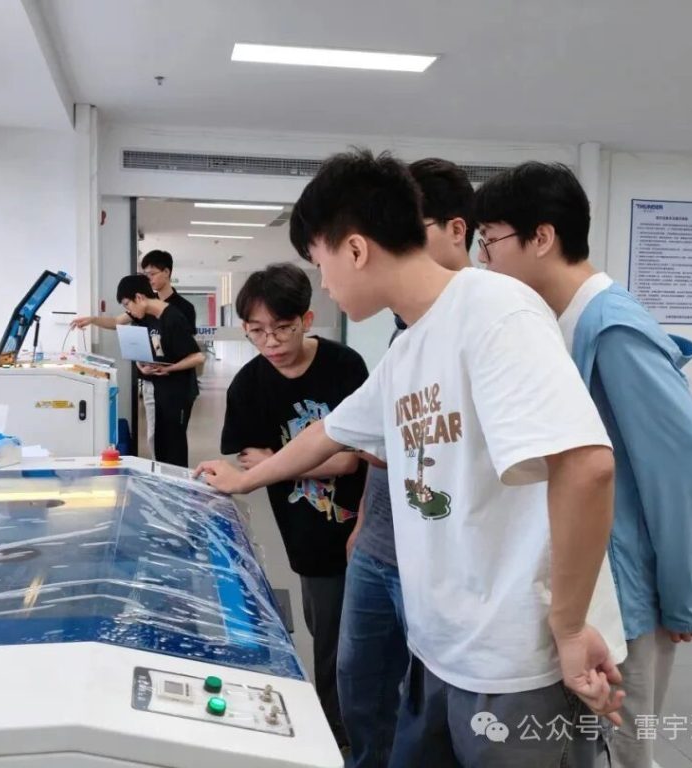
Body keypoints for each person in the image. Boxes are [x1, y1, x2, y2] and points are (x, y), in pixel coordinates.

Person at [196, 149, 625, 767]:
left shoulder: (495, 310)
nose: (325, 283)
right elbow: (329, 433)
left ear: (355, 249)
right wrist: (244, 479)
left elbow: (587, 466)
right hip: (441, 646)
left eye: (320, 262)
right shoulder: (408, 347)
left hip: (513, 661)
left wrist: (569, 626)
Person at [475, 162, 692, 768]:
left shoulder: (612, 328)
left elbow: (687, 464)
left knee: (625, 751)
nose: (484, 260)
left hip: (628, 597)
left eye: (490, 241)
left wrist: (683, 597)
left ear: (541, 238)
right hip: (592, 583)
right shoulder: (563, 322)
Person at [337, 156, 475, 768]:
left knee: (432, 713)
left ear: (456, 230)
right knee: (361, 684)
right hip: (380, 545)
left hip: (442, 561)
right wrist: (366, 520)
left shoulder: (492, 318)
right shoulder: (405, 333)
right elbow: (376, 435)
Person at [221, 262, 368, 749]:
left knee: (349, 643)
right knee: (323, 632)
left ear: (307, 319)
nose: (271, 342)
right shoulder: (248, 387)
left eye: (283, 328)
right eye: (256, 331)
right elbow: (251, 463)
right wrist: (288, 465)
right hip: (304, 533)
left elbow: (350, 460)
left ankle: (345, 738)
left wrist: (278, 462)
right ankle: (339, 732)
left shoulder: (345, 367)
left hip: (360, 523)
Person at [71, 250, 196, 456]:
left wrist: (169, 367)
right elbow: (116, 322)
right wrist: (92, 320)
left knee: (174, 438)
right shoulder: (142, 306)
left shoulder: (180, 309)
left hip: (176, 383)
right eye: (146, 274)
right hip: (152, 380)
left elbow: (188, 350)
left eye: (152, 274)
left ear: (167, 272)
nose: (149, 279)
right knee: (156, 437)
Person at [113, 274, 203, 467]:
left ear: (139, 297)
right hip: (161, 390)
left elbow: (197, 357)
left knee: (174, 447)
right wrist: (141, 364)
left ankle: (177, 483)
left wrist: (170, 368)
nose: (128, 311)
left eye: (127, 304)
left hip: (178, 392)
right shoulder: (150, 317)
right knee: (161, 444)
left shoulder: (173, 318)